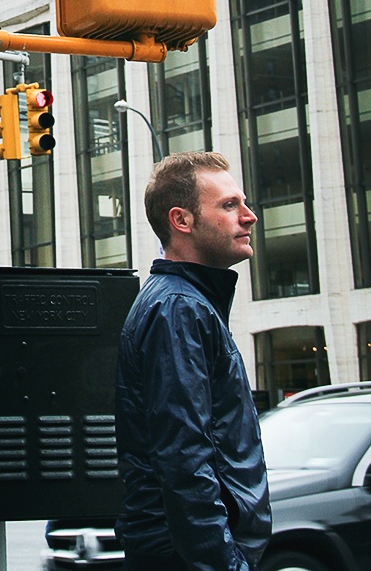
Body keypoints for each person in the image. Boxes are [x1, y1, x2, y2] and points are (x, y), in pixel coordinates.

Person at [115, 151, 271, 571]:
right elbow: (184, 460)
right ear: (181, 220)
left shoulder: (186, 303)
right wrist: (226, 564)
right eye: (229, 205)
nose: (249, 216)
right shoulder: (178, 309)